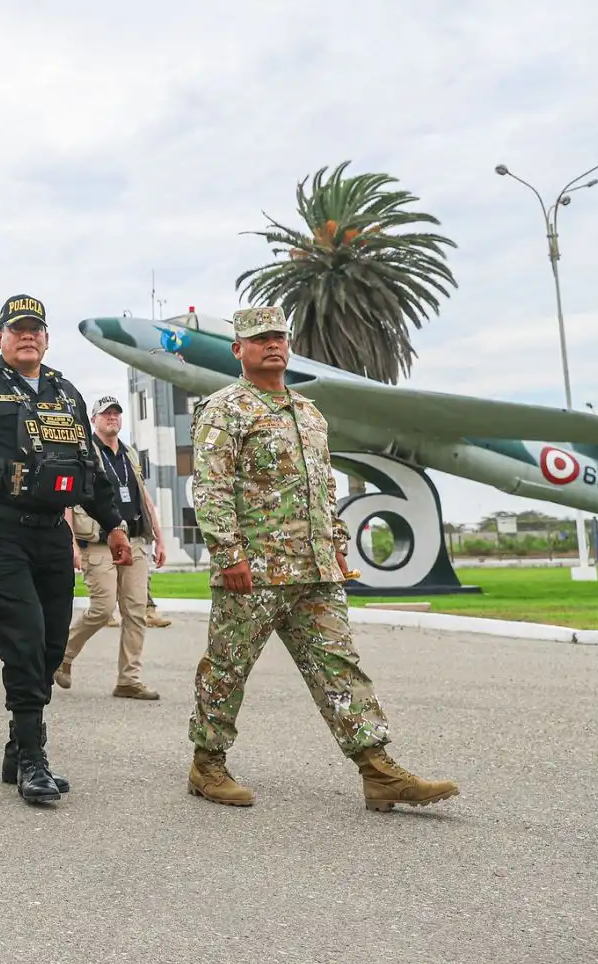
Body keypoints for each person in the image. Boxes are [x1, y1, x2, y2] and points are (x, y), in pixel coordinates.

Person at [187, 306, 458, 812]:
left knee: (339, 666)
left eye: (279, 337)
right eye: (260, 337)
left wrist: (335, 538)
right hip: (256, 570)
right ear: (238, 350)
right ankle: (207, 764)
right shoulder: (224, 409)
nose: (273, 344)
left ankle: (378, 771)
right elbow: (211, 486)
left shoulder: (309, 413)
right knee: (228, 668)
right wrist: (229, 554)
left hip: (315, 570)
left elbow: (323, 488)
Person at [0, 294, 131, 806]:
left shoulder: (66, 393)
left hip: (51, 534)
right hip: (0, 531)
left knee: (50, 643)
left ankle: (17, 745)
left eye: (35, 329)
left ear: (46, 338)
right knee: (23, 637)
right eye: (16, 329)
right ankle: (33, 757)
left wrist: (114, 524)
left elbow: (90, 465)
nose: (27, 336)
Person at [55, 396, 166, 700]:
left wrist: (158, 536)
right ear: (94, 419)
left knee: (136, 612)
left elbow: (144, 495)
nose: (112, 418)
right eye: (106, 414)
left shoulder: (129, 453)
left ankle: (129, 679)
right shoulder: (84, 452)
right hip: (98, 541)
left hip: (136, 540)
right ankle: (62, 657)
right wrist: (72, 545)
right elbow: (69, 500)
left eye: (116, 414)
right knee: (102, 609)